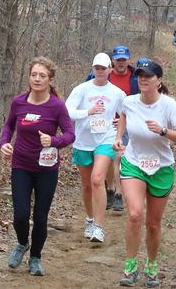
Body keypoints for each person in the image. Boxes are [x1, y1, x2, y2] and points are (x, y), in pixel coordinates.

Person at [113, 60, 176, 287]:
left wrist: (164, 131)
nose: (143, 79)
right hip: (134, 164)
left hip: (161, 168)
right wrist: (119, 137)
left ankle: (152, 263)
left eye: (148, 76)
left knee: (154, 223)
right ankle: (130, 265)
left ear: (159, 81)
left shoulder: (169, 106)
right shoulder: (129, 101)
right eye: (140, 75)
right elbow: (123, 116)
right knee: (135, 214)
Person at [0, 57, 76, 276]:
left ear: (50, 80)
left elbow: (70, 134)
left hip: (47, 169)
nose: (37, 79)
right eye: (34, 74)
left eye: (42, 75)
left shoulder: (57, 106)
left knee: (41, 217)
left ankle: (35, 258)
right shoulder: (19, 102)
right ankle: (22, 244)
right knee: (21, 215)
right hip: (21, 165)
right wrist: (4, 143)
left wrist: (54, 141)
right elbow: (8, 126)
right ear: (29, 77)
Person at [65, 53, 126, 243]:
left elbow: (127, 113)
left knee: (97, 179)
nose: (100, 71)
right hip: (83, 140)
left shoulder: (116, 93)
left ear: (110, 70)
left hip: (105, 139)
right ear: (93, 69)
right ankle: (90, 219)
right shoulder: (82, 89)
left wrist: (120, 125)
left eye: (103, 68)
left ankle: (99, 227)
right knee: (86, 184)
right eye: (97, 68)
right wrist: (88, 112)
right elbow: (67, 111)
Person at [104, 45, 141, 212]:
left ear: (128, 59)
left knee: (120, 156)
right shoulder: (104, 74)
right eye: (118, 60)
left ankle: (119, 194)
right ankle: (110, 189)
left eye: (123, 60)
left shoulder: (136, 77)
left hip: (128, 122)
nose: (121, 63)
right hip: (105, 123)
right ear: (113, 60)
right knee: (109, 158)